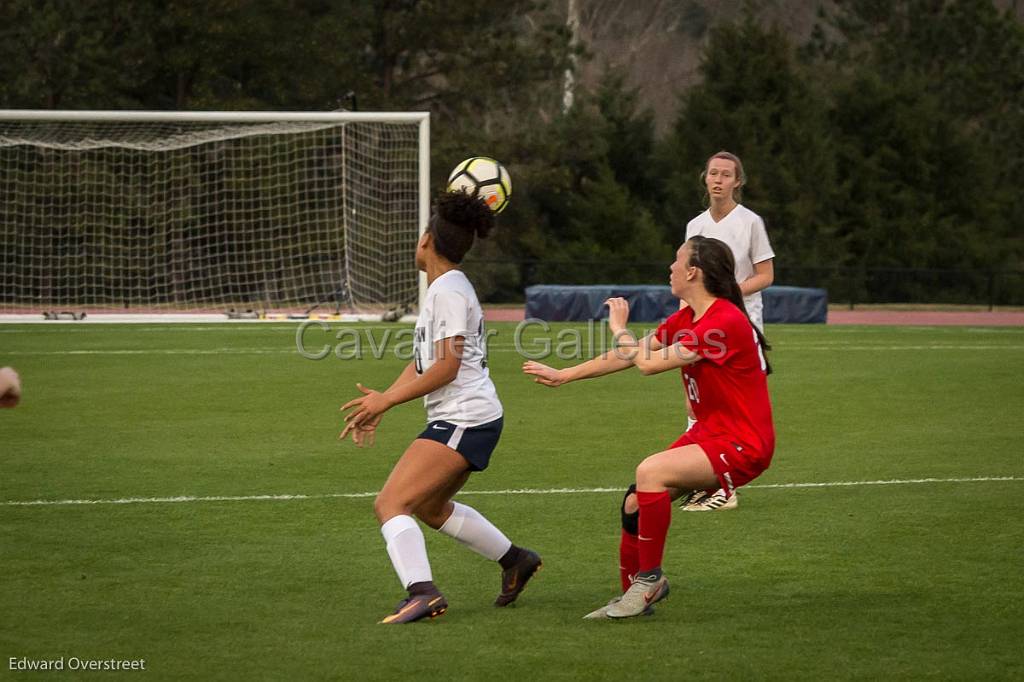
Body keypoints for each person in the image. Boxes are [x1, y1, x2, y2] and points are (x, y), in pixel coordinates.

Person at [523, 236, 775, 619]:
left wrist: (618, 326)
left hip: (744, 443)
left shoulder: (722, 322)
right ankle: (633, 597)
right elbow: (631, 355)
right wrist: (565, 374)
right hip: (712, 433)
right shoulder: (689, 317)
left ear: (693, 271)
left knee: (650, 472)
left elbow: (647, 364)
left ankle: (649, 580)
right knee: (635, 501)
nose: (670, 269)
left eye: (676, 261)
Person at [340, 191, 541, 625]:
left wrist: (388, 399)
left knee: (390, 503)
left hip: (464, 418)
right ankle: (516, 560)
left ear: (427, 240)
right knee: (431, 509)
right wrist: (383, 403)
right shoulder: (446, 288)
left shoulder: (447, 291)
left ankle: (423, 593)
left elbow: (447, 367)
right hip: (472, 416)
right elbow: (422, 364)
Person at [680, 150, 775, 511]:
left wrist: (728, 294)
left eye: (726, 175)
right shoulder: (695, 226)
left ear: (738, 182)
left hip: (738, 328)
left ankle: (726, 486)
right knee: (697, 404)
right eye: (713, 173)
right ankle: (706, 482)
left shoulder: (750, 222)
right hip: (701, 326)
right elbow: (688, 278)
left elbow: (766, 275)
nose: (718, 180)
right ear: (704, 179)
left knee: (735, 412)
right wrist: (684, 318)